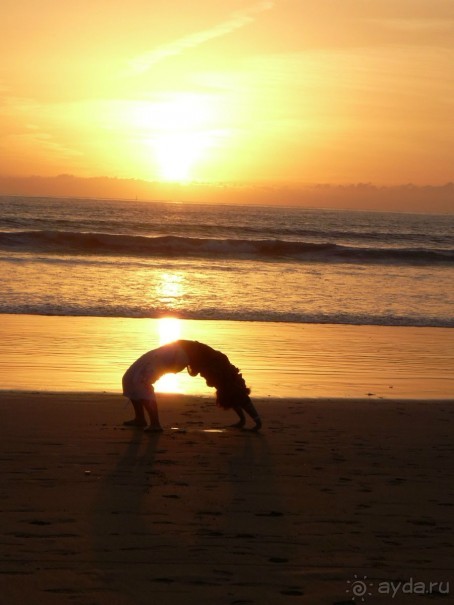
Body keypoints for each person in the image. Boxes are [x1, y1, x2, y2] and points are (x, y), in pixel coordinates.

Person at [122, 339, 262, 432]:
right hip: (179, 349)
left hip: (179, 350)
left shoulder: (220, 371)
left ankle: (153, 424)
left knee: (137, 380)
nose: (208, 381)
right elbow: (234, 394)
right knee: (131, 379)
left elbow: (237, 395)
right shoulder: (219, 368)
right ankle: (141, 419)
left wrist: (253, 421)